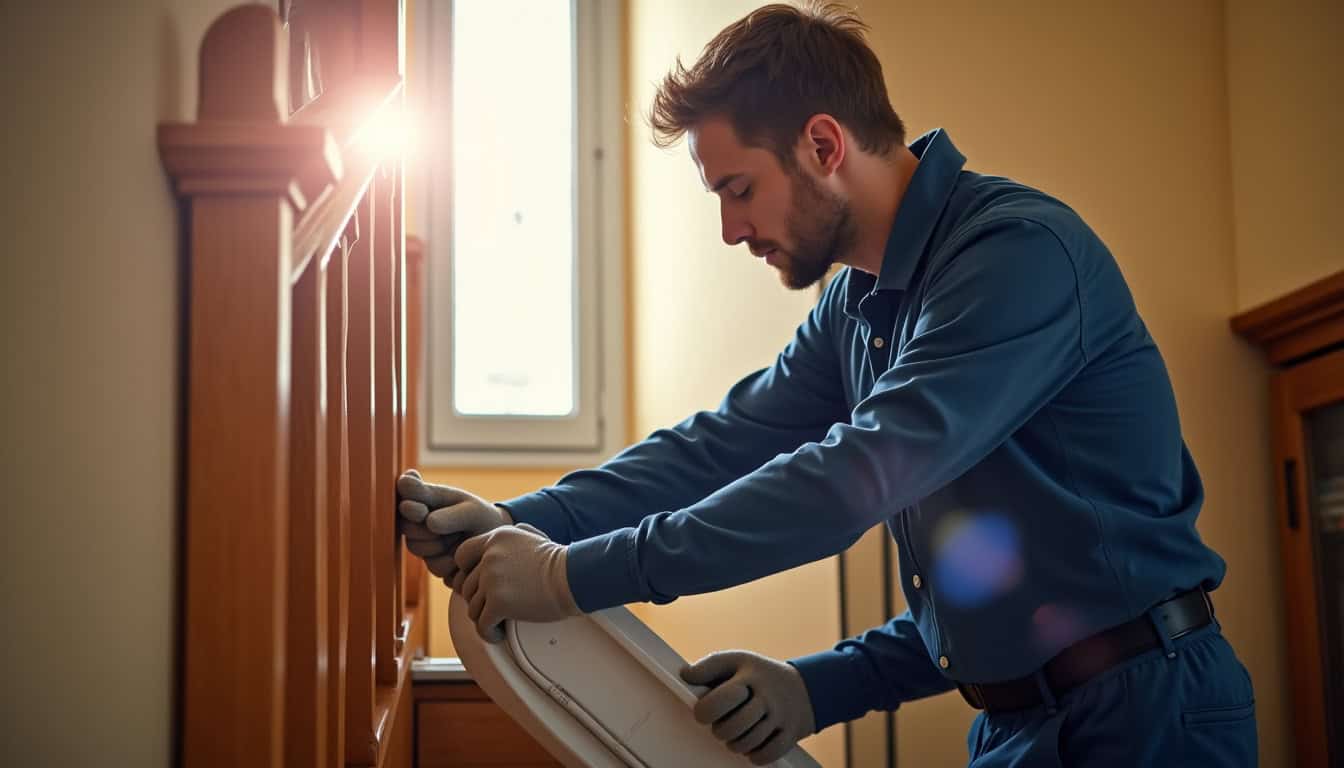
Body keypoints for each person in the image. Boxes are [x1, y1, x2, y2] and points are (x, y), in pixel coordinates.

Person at [397, 2, 1258, 765]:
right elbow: (724, 444)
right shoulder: (855, 303)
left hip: (1150, 717)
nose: (731, 230)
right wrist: (524, 520)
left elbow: (850, 478)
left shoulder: (1018, 254)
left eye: (739, 190)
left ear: (822, 144)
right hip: (1010, 728)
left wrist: (567, 577)